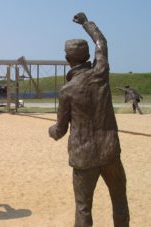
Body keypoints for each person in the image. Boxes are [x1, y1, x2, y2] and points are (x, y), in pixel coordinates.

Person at [48, 13, 129, 227]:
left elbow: (60, 131)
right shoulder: (101, 73)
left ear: (67, 60)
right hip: (110, 152)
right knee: (120, 201)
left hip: (83, 158)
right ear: (87, 58)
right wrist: (86, 23)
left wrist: (51, 130)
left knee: (83, 208)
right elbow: (101, 43)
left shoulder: (67, 90)